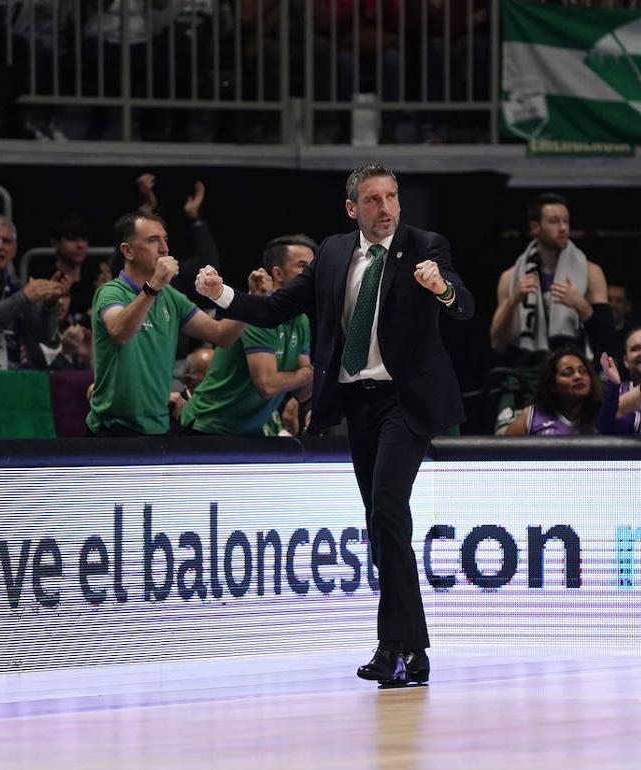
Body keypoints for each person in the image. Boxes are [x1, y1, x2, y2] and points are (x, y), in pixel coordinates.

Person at [194, 163, 474, 686]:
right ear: (352, 208)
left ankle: (396, 646)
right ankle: (408, 648)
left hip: (405, 402)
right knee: (382, 522)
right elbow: (277, 308)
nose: (386, 208)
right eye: (373, 200)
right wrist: (222, 296)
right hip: (357, 402)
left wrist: (443, 290)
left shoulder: (425, 245)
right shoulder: (333, 254)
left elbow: (464, 307)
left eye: (392, 196)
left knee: (388, 509)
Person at [86, 211, 246, 437]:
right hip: (113, 429)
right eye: (153, 240)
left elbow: (221, 334)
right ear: (127, 251)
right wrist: (153, 286)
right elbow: (120, 331)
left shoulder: (170, 296)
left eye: (165, 240)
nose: (164, 249)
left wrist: (251, 302)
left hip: (158, 426)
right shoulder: (111, 292)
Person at [490, 193, 611, 433]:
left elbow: (607, 337)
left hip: (574, 370)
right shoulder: (510, 277)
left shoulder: (590, 272)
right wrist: (513, 301)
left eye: (566, 221)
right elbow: (498, 343)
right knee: (506, 440)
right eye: (554, 221)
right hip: (526, 373)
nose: (563, 228)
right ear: (535, 227)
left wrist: (581, 305)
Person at [181, 235, 317, 436]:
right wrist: (311, 372)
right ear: (278, 273)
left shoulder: (302, 321)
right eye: (303, 266)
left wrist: (306, 375)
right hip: (210, 426)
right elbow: (267, 385)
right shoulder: (258, 315)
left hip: (249, 430)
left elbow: (303, 392)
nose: (312, 273)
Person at [0, 214, 69, 370]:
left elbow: (44, 335)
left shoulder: (16, 286)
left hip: (10, 378)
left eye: (6, 241)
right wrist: (23, 299)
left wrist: (49, 305)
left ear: (14, 250)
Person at [503, 347, 600, 436]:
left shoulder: (602, 415)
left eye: (583, 371)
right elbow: (502, 453)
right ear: (552, 385)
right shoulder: (531, 416)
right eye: (568, 373)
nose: (578, 377)